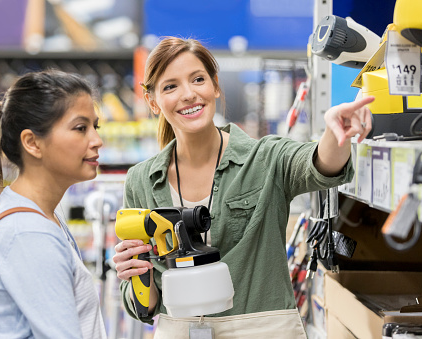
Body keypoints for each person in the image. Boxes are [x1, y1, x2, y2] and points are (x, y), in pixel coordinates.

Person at [112, 37, 374, 338]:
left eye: (198, 80)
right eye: (170, 86)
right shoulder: (141, 180)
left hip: (262, 329)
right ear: (153, 102)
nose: (188, 94)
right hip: (180, 330)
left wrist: (334, 133)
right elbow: (146, 307)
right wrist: (136, 273)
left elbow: (319, 164)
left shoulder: (265, 159)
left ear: (215, 86)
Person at [0, 70, 107, 339]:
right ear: (32, 143)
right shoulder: (28, 233)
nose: (97, 141)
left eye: (95, 127)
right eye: (80, 128)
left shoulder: (36, 216)